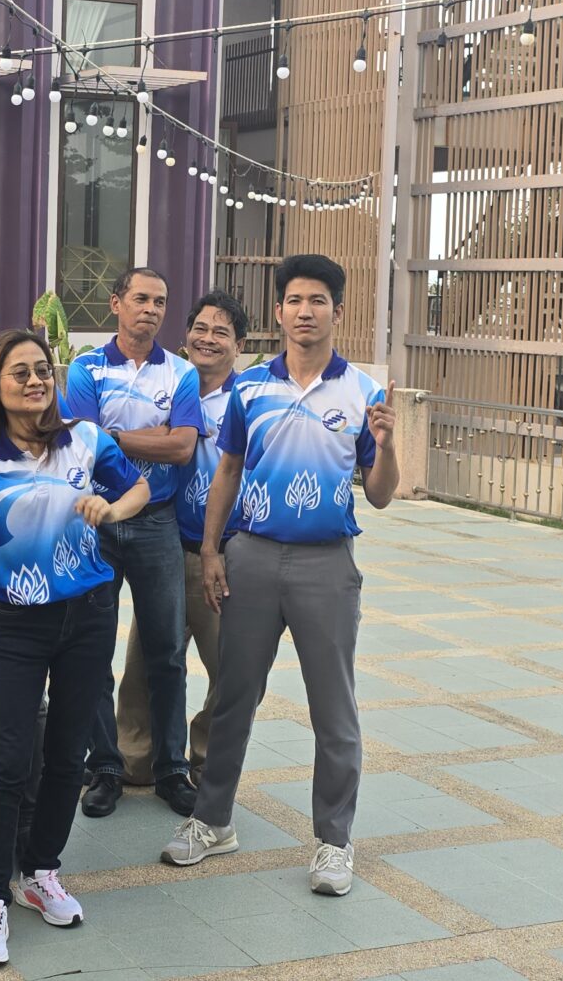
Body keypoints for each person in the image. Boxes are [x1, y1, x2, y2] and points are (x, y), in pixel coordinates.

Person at [163, 255, 401, 898]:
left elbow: (381, 494)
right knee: (234, 696)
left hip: (327, 563)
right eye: (294, 299)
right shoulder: (250, 388)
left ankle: (334, 842)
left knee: (334, 708)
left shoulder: (363, 393)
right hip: (253, 557)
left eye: (318, 300)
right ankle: (212, 820)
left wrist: (388, 445)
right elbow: (227, 471)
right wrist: (211, 551)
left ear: (337, 312)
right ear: (278, 311)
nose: (305, 311)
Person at [0, 330, 150, 967]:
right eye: (19, 372)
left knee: (68, 754)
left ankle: (42, 870)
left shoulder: (85, 438)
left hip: (89, 614)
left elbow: (139, 488)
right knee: (7, 761)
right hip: (15, 624)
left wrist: (111, 508)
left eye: (42, 369)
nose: (36, 380)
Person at [64, 268, 204, 820]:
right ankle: (105, 766)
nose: (151, 309)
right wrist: (154, 437)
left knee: (167, 652)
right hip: (95, 522)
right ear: (115, 302)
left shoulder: (181, 373)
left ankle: (171, 768)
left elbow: (183, 448)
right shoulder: (86, 369)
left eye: (160, 301)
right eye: (141, 298)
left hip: (156, 523)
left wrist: (115, 437)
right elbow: (82, 443)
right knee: (92, 650)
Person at [114, 291, 247, 787]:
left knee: (232, 670)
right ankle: (134, 761)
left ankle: (206, 758)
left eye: (221, 332)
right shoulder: (171, 385)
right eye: (200, 329)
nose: (207, 339)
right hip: (167, 544)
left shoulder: (247, 397)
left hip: (223, 557)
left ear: (239, 345)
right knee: (145, 664)